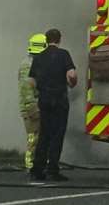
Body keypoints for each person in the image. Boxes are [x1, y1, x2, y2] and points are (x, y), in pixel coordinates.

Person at [28, 27, 77, 182]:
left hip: (44, 99)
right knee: (57, 135)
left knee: (44, 134)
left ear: (46, 40)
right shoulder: (64, 55)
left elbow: (31, 81)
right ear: (59, 39)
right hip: (59, 99)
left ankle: (37, 169)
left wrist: (40, 91)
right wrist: (72, 84)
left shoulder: (38, 57)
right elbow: (72, 74)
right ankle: (53, 170)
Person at [19, 33, 45, 170]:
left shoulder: (30, 63)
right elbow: (26, 89)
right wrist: (31, 107)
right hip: (31, 106)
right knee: (33, 136)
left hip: (33, 105)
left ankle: (36, 162)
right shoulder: (28, 66)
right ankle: (30, 163)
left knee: (37, 136)